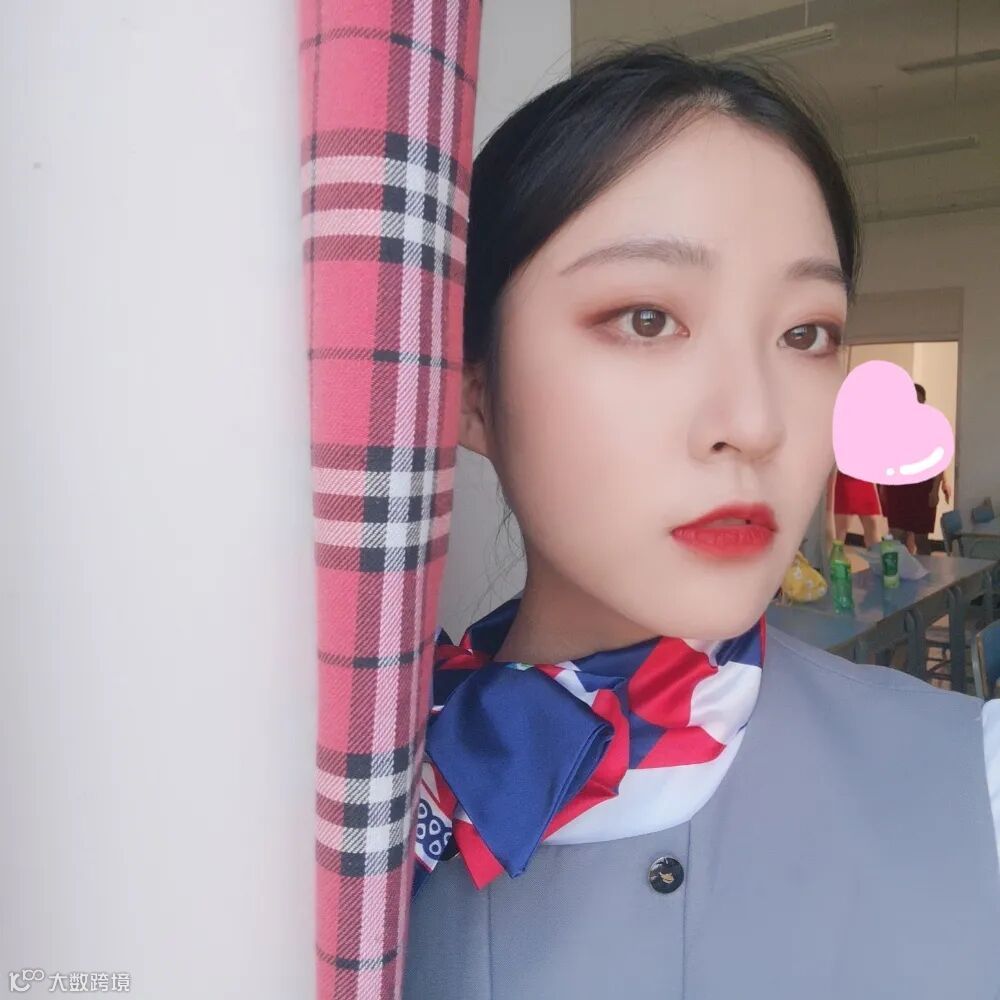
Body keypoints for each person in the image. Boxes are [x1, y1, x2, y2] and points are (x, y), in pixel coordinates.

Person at [403, 46, 1000, 998]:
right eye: (647, 319)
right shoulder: (350, 808)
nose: (755, 423)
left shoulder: (978, 780)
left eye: (805, 334)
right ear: (473, 389)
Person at [877, 382, 952, 555]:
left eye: (919, 400)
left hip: (923, 488)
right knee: (896, 534)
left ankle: (925, 569)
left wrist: (936, 489)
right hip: (898, 488)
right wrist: (882, 487)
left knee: (921, 537)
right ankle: (898, 567)